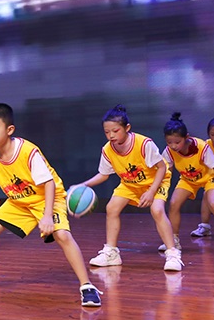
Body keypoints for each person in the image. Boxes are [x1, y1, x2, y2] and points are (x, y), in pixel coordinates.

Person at [0, 103, 102, 308]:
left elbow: (49, 184)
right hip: (19, 202)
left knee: (62, 235)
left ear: (9, 129)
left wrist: (47, 216)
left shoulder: (27, 151)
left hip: (47, 198)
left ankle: (87, 286)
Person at [73, 105, 180, 271]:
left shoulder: (144, 144)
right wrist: (83, 185)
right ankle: (112, 253)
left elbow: (162, 168)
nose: (111, 135)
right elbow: (103, 175)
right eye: (107, 132)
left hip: (155, 181)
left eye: (115, 131)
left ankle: (173, 254)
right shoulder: (107, 150)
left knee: (157, 210)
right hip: (130, 184)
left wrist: (151, 191)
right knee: (111, 208)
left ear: (127, 128)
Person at [161, 112, 214, 256]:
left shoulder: (202, 147)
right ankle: (173, 241)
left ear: (186, 137)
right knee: (173, 204)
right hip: (188, 179)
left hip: (209, 178)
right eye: (169, 142)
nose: (173, 146)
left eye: (177, 142)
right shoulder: (169, 151)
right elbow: (166, 171)